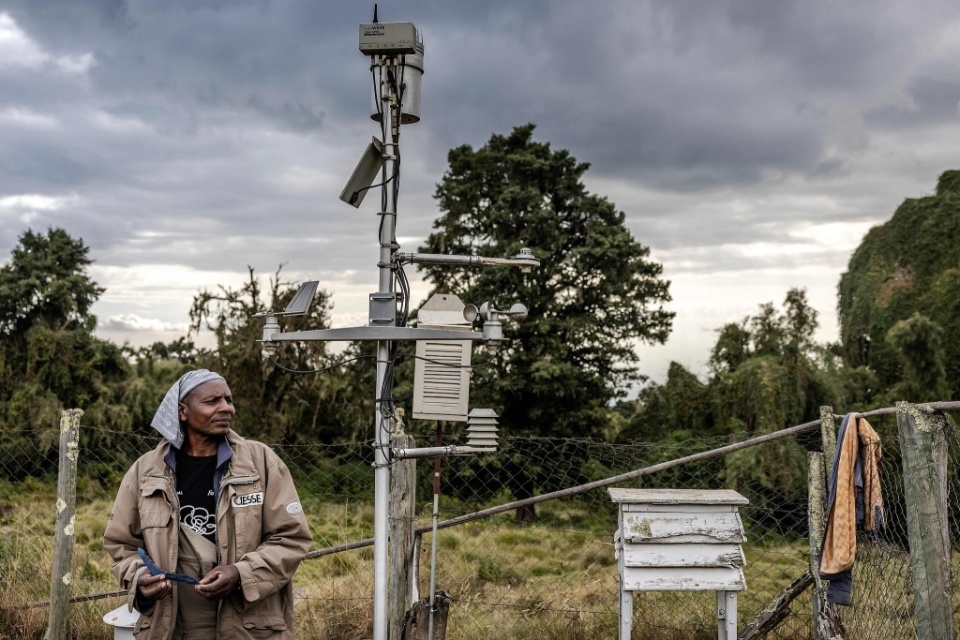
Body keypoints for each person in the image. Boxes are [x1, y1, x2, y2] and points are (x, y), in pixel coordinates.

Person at [104, 369, 313, 639]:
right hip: (170, 627)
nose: (227, 408)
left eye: (228, 399)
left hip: (248, 627)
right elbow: (121, 544)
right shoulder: (145, 472)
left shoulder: (261, 463)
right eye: (212, 401)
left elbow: (291, 538)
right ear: (182, 411)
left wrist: (240, 573)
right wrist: (139, 580)